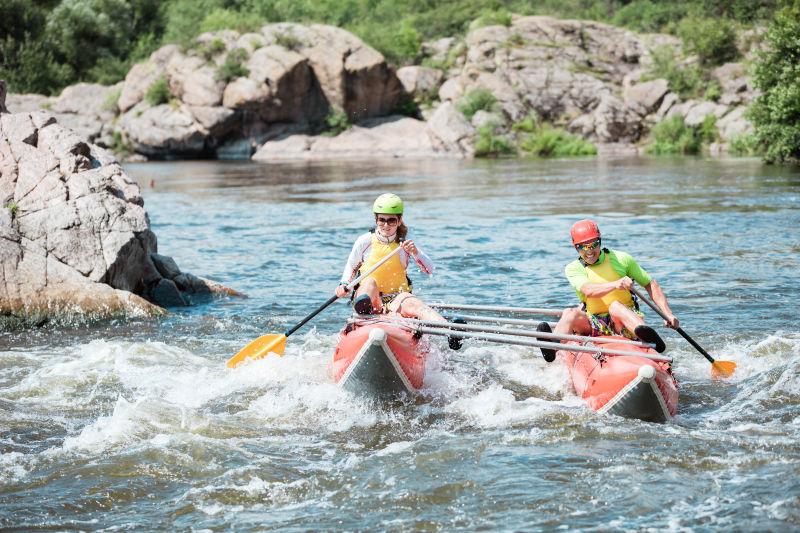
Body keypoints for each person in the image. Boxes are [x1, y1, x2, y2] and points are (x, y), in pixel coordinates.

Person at [538, 219, 679, 361]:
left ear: (600, 241)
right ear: (576, 247)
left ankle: (648, 338)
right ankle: (553, 348)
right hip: (595, 322)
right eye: (583, 247)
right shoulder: (573, 268)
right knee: (569, 313)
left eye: (594, 244)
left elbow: (650, 284)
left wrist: (668, 314)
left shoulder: (621, 259)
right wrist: (616, 284)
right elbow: (588, 290)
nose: (590, 251)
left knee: (615, 306)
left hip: (623, 320)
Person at [335, 193, 462, 349]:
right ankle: (366, 316)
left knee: (414, 303)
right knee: (369, 282)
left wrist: (416, 252)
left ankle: (450, 331)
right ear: (376, 219)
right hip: (371, 299)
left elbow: (430, 269)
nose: (386, 225)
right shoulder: (365, 241)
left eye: (391, 220)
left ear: (399, 220)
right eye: (382, 220)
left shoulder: (404, 246)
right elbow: (351, 265)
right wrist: (344, 284)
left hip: (396, 298)